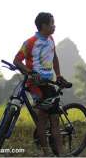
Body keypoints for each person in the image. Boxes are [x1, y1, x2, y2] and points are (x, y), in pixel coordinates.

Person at [13, 12, 69, 156]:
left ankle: (61, 153)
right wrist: (30, 72)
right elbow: (17, 61)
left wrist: (59, 75)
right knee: (42, 120)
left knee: (55, 120)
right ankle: (47, 152)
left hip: (49, 84)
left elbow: (54, 58)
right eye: (52, 23)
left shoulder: (51, 39)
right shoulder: (30, 42)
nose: (54, 26)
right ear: (43, 26)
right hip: (35, 85)